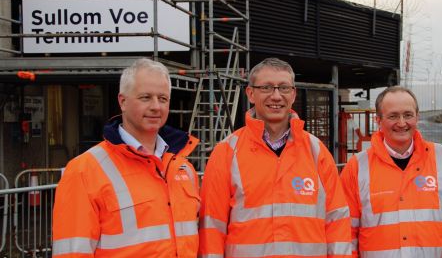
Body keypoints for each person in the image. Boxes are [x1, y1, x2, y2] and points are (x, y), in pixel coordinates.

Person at [199, 57, 352, 258]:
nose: (276, 96)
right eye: (267, 88)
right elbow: (212, 227)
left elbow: (337, 221)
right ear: (251, 93)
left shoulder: (316, 151)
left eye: (284, 88)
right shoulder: (227, 152)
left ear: (294, 94)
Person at [52, 58, 200, 257]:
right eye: (146, 97)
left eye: (163, 98)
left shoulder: (183, 168)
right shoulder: (84, 170)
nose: (156, 106)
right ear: (122, 101)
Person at [340, 86, 442, 257]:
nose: (402, 123)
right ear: (378, 120)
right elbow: (345, 233)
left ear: (417, 117)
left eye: (408, 115)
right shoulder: (356, 167)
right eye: (393, 116)